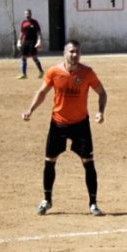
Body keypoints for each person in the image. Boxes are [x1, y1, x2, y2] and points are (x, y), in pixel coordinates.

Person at [21, 40, 107, 216]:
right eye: (71, 51)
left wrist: (100, 112)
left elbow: (102, 92)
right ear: (64, 53)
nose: (74, 55)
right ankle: (47, 200)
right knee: (49, 161)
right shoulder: (54, 72)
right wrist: (30, 110)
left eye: (77, 52)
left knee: (88, 163)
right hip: (58, 123)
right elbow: (42, 92)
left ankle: (93, 203)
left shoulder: (87, 73)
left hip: (81, 124)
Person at [17, 9, 45, 80]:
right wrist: (19, 41)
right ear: (24, 14)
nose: (27, 15)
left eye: (28, 13)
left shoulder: (34, 22)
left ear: (31, 14)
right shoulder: (23, 23)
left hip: (33, 42)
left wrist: (39, 40)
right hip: (25, 42)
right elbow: (21, 32)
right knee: (23, 57)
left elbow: (38, 32)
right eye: (26, 13)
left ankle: (41, 71)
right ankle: (24, 74)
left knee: (34, 57)